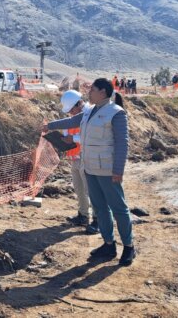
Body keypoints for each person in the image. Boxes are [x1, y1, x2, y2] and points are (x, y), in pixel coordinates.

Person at [46, 78, 136, 266]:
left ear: (102, 92)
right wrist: (50, 126)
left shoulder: (116, 113)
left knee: (118, 208)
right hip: (90, 167)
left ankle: (128, 247)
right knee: (100, 208)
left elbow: (122, 144)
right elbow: (72, 120)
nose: (89, 93)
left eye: (92, 90)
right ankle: (108, 244)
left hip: (107, 169)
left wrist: (118, 170)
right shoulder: (88, 112)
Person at [59, 90, 99, 234]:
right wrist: (62, 140)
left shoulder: (89, 114)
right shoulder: (71, 118)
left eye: (71, 110)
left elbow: (91, 136)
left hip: (86, 157)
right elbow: (66, 133)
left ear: (79, 104)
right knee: (79, 189)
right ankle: (83, 215)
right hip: (74, 158)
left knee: (92, 190)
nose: (70, 113)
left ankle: (98, 220)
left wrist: (73, 139)